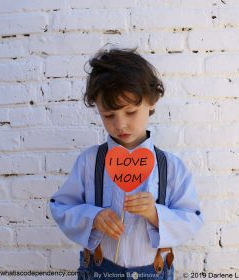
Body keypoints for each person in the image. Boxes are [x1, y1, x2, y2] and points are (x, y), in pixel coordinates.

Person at [49, 47, 203, 280]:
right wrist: (93, 217)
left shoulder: (171, 167)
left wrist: (155, 214)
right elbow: (61, 206)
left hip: (154, 271)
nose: (120, 124)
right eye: (108, 115)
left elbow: (192, 218)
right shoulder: (89, 162)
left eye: (130, 112)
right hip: (99, 271)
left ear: (152, 102)